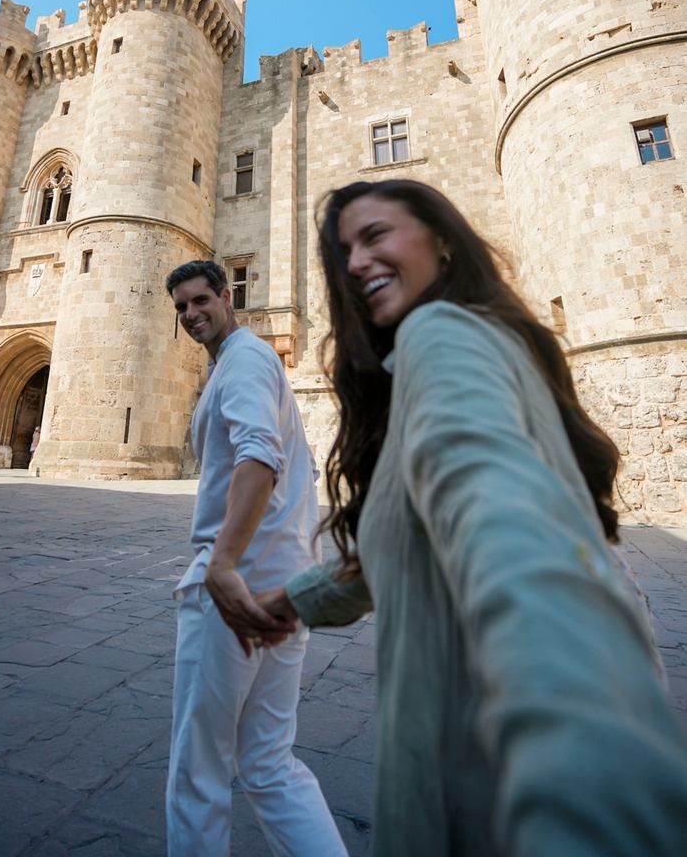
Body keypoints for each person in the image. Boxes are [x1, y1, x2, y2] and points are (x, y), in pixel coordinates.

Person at [253, 180, 687, 856]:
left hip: (502, 760)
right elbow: (423, 536)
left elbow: (500, 517)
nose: (358, 262)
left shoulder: (439, 333)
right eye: (344, 254)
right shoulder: (471, 346)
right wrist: (292, 600)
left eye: (376, 236)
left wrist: (582, 765)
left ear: (444, 242)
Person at [164, 259, 346, 857]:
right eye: (182, 308)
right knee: (269, 763)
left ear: (227, 295)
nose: (192, 314)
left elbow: (258, 457)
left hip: (232, 592)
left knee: (199, 772)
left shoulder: (242, 358)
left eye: (199, 300)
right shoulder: (252, 364)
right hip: (283, 588)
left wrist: (221, 564)